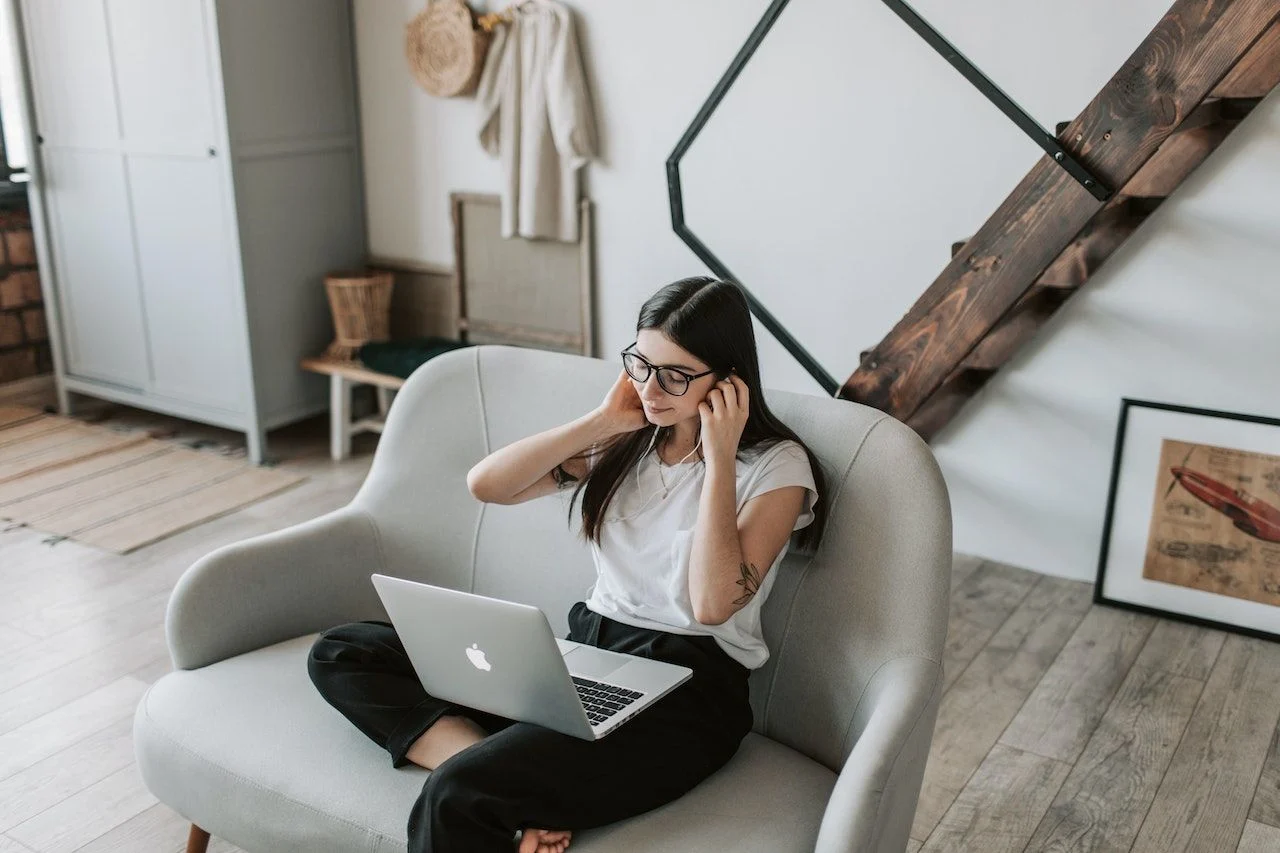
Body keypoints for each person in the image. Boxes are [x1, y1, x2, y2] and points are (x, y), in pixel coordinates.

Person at [307, 276, 828, 853]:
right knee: (343, 650)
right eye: (640, 364)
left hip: (687, 697)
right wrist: (604, 421)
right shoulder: (631, 442)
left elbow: (710, 604)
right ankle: (492, 775)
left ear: (728, 381)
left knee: (457, 794)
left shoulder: (777, 467)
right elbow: (488, 485)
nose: (651, 389)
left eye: (676, 376)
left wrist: (720, 453)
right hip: (584, 657)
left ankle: (488, 783)